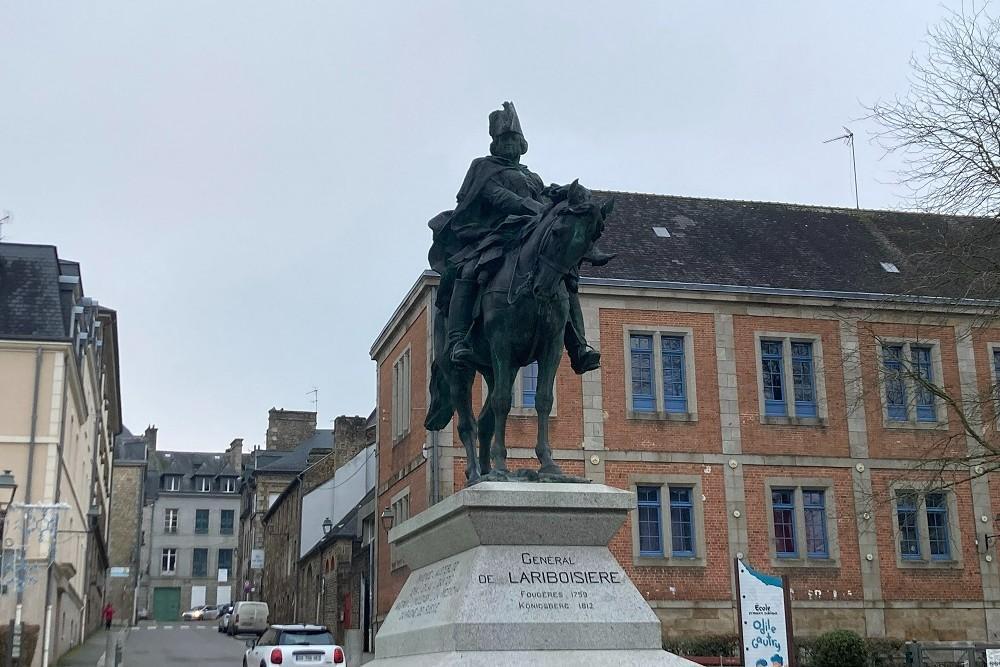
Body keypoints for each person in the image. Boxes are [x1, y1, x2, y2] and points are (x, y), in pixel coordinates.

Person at [428, 101, 612, 374]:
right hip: (494, 234)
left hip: (529, 232)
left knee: (564, 277)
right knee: (467, 270)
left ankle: (578, 346)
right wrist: (533, 207)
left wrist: (557, 194)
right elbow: (497, 196)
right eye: (505, 139)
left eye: (514, 139)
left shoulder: (532, 176)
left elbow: (539, 196)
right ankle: (458, 339)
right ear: (496, 143)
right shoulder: (483, 168)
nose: (510, 145)